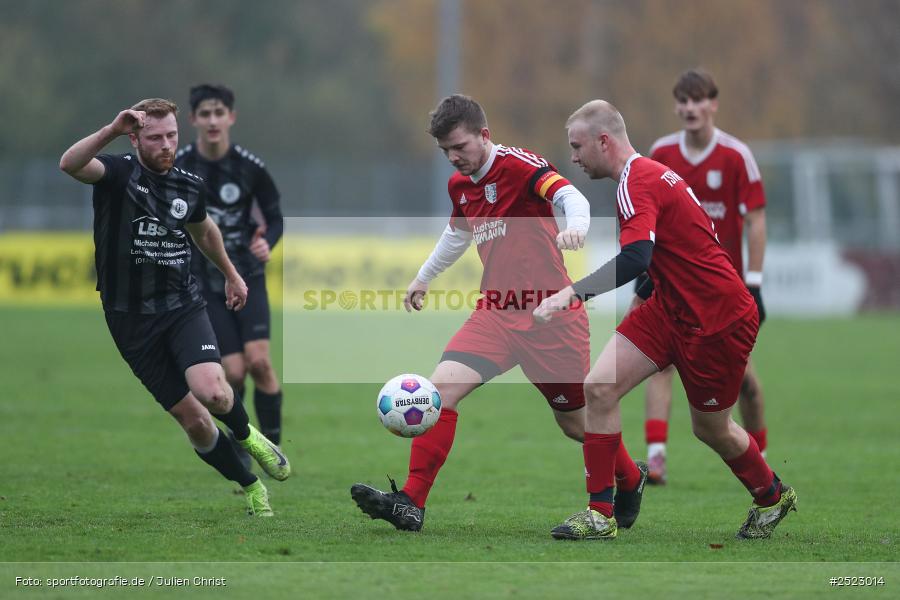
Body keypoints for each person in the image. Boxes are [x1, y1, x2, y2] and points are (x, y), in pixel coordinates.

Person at [351, 94, 648, 532]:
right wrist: (423, 277)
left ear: (484, 136)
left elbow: (570, 196)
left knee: (575, 422)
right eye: (446, 152)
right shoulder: (461, 186)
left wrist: (577, 227)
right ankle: (410, 502)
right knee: (438, 393)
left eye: (460, 148)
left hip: (551, 316)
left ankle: (630, 476)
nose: (454, 159)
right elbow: (457, 235)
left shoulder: (522, 166)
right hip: (495, 313)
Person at [534, 100, 795, 540]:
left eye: (577, 147)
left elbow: (637, 257)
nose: (573, 158)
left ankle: (771, 495)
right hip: (668, 309)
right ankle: (600, 514)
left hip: (717, 320)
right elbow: (661, 256)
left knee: (711, 429)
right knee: (599, 387)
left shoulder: (638, 181)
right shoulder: (643, 176)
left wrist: (571, 294)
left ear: (604, 141)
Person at [59, 98, 290, 517]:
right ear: (135, 139)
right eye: (155, 137)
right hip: (128, 320)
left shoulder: (188, 184)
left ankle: (249, 436)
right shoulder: (117, 173)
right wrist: (111, 128)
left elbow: (204, 232)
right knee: (196, 423)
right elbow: (70, 164)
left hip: (181, 305)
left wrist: (231, 274)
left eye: (172, 136)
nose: (166, 145)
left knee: (214, 392)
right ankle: (251, 486)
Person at [638, 69, 769, 485]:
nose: (689, 108)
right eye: (683, 101)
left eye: (698, 100)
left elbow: (757, 220)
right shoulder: (661, 152)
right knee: (659, 364)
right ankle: (655, 458)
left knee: (745, 383)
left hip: (721, 294)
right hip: (669, 283)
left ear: (713, 104)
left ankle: (758, 456)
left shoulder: (735, 156)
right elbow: (642, 211)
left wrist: (754, 281)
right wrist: (643, 267)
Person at [175, 85, 286, 462]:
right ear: (193, 120)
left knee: (260, 363)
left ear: (231, 118)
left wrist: (267, 242)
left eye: (218, 112)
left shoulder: (250, 167)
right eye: (204, 114)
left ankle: (272, 446)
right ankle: (242, 441)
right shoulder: (178, 166)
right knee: (233, 372)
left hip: (248, 274)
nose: (212, 120)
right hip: (203, 281)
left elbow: (274, 218)